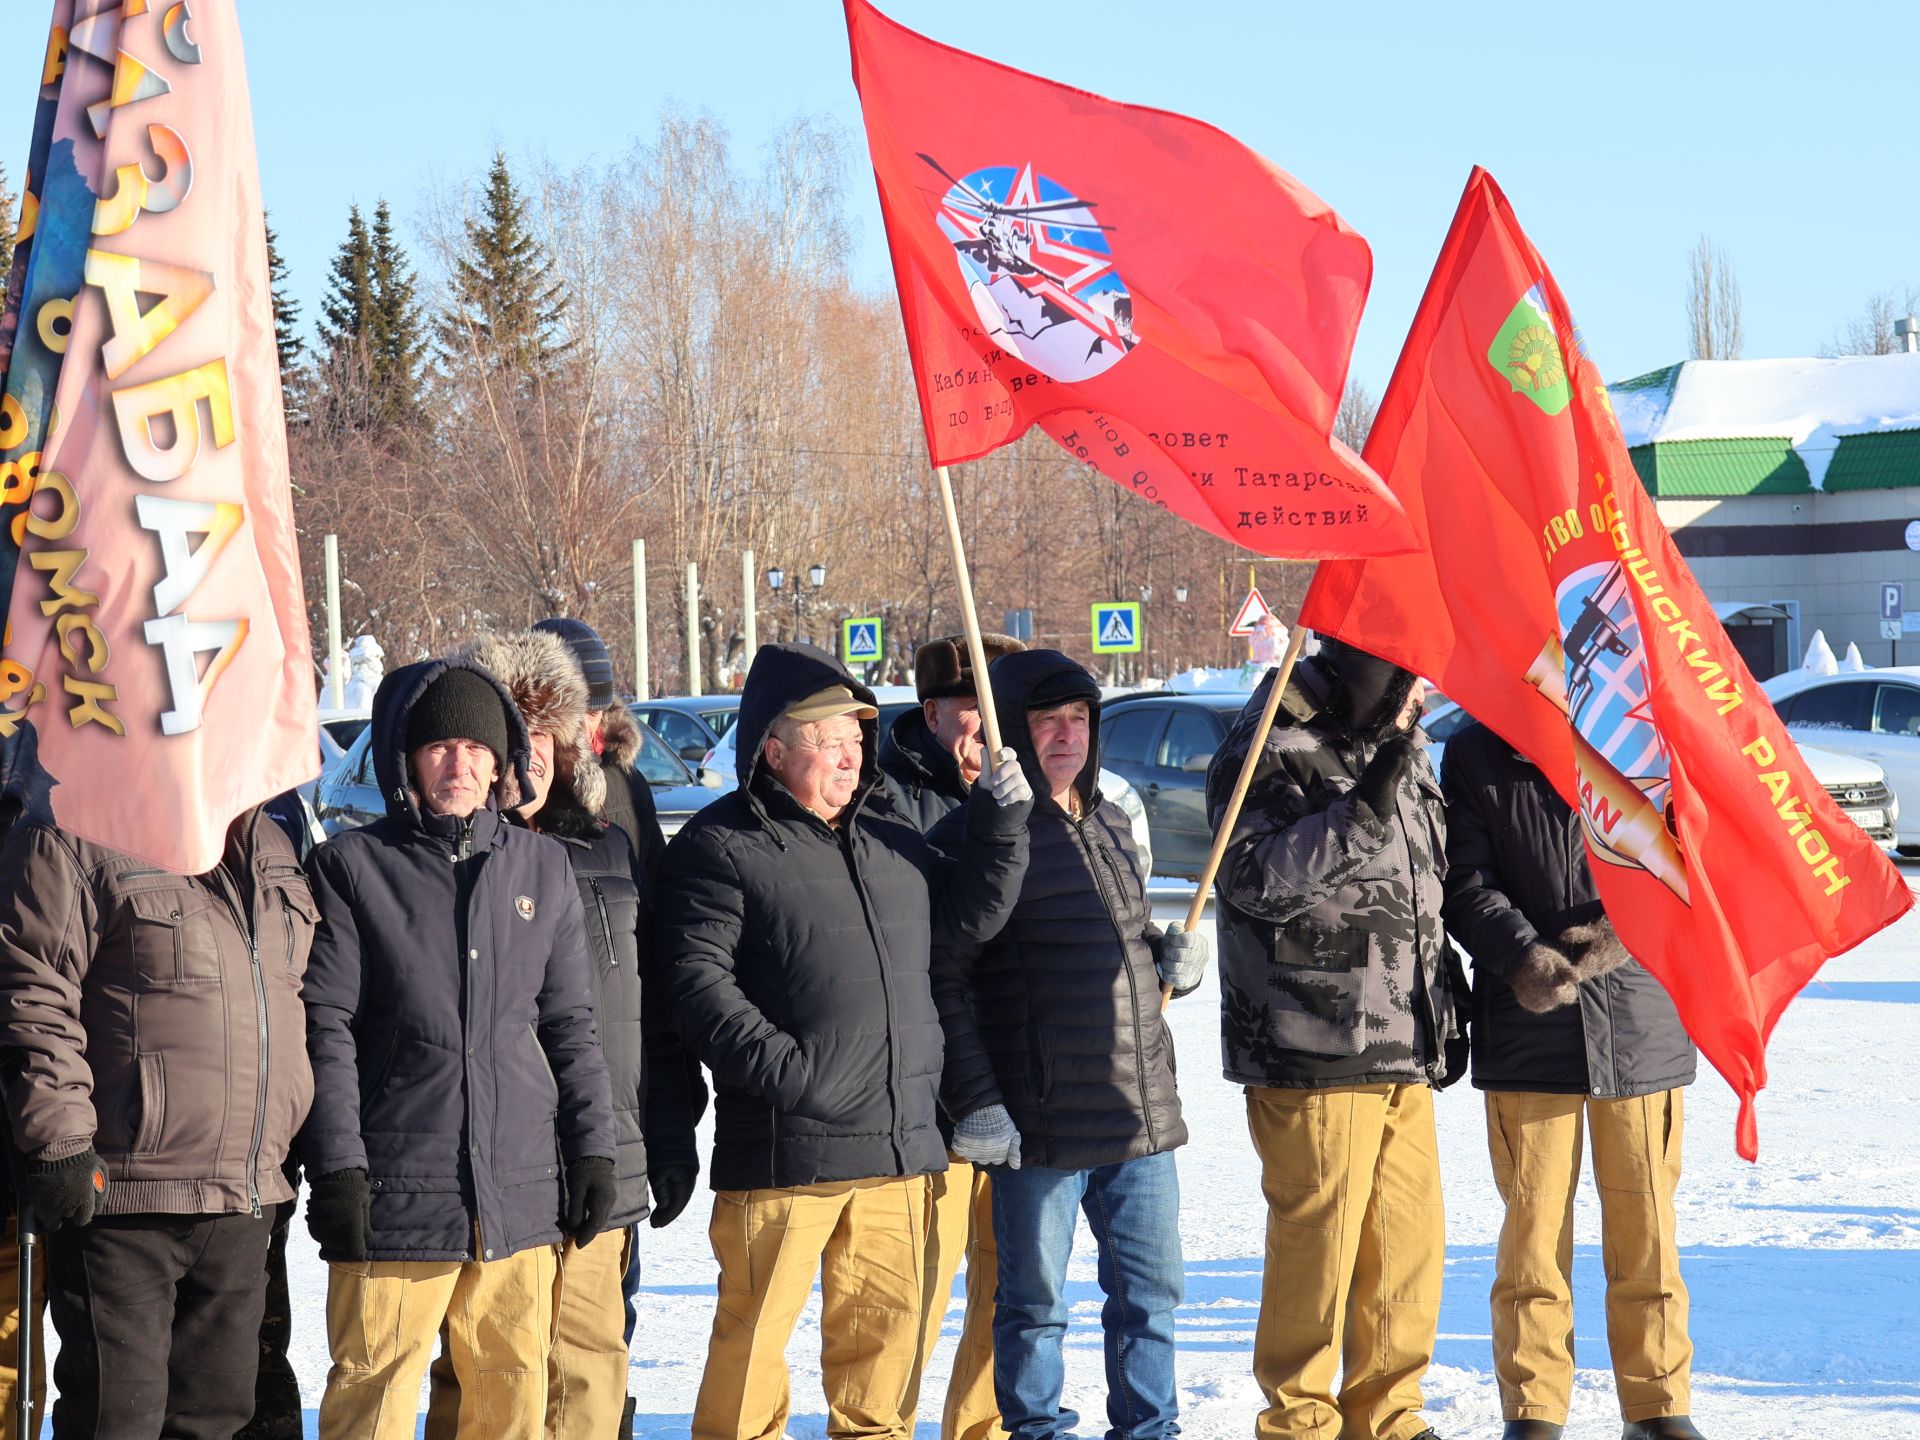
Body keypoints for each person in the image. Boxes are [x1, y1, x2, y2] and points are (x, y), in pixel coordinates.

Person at [656, 642, 1031, 1440]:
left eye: (858, 741)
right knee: (750, 1362)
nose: (850, 758)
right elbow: (695, 988)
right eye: (830, 742)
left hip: (902, 1150)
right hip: (789, 1151)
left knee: (882, 1378)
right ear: (774, 747)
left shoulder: (889, 835)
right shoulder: (718, 846)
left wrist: (999, 827)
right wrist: (798, 1078)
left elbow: (967, 922)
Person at [299, 658, 617, 1440]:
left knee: (511, 1401)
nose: (459, 765)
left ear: (503, 762)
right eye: (439, 747)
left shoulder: (541, 865)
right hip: (395, 1195)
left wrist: (592, 1152)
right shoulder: (350, 868)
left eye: (476, 749)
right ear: (405, 758)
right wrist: (338, 1168)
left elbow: (569, 1024)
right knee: (371, 1402)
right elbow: (326, 1028)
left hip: (516, 1193)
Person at [419, 630, 706, 1440]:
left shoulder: (612, 844)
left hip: (606, 1146)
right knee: (483, 1372)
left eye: (545, 735)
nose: (531, 755)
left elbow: (648, 1000)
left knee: (592, 1364)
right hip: (489, 1162)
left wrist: (670, 1131)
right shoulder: (437, 861)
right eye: (517, 734)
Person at [0, 737, 318, 1440]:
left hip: (242, 1198)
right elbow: (35, 992)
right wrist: (58, 1142)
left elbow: (291, 999)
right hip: (124, 1201)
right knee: (117, 1422)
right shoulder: (80, 827)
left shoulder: (268, 841)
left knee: (218, 1422)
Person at [930, 649, 1207, 1440]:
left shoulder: (1113, 821)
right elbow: (947, 975)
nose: (1067, 737)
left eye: (1080, 720)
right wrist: (978, 1100)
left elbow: (1115, 943)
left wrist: (1166, 958)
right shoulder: (973, 836)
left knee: (1152, 1300)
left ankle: (1150, 1431)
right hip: (1039, 1120)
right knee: (1034, 1307)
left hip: (1139, 1113)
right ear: (1015, 730)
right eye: (1048, 721)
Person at [1207, 637, 1465, 1440]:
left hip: (1401, 1040)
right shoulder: (1273, 740)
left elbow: (1423, 883)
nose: (1424, 689)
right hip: (1313, 1041)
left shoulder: (1399, 743)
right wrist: (1359, 811)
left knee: (1407, 1251)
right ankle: (1300, 1422)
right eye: (1411, 672)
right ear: (1372, 668)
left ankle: (1387, 1418)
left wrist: (1441, 999)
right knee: (1318, 1255)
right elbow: (1250, 882)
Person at [1440, 719, 1702, 1440]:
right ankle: (1534, 1410)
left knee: (1646, 1226)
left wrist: (1627, 931)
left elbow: (1691, 854)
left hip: (1640, 1018)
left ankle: (1657, 1407)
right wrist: (1523, 957)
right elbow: (1463, 882)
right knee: (1532, 1233)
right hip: (1528, 1022)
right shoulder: (1475, 747)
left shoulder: (1648, 736)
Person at [878, 630, 1024, 1440]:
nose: (991, 726)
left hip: (1027, 1080)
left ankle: (982, 1428)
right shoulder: (890, 801)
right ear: (933, 712)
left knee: (1009, 1293)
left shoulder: (1036, 790)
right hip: (932, 1096)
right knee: (915, 1286)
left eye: (1005, 708)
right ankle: (887, 1423)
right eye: (975, 708)